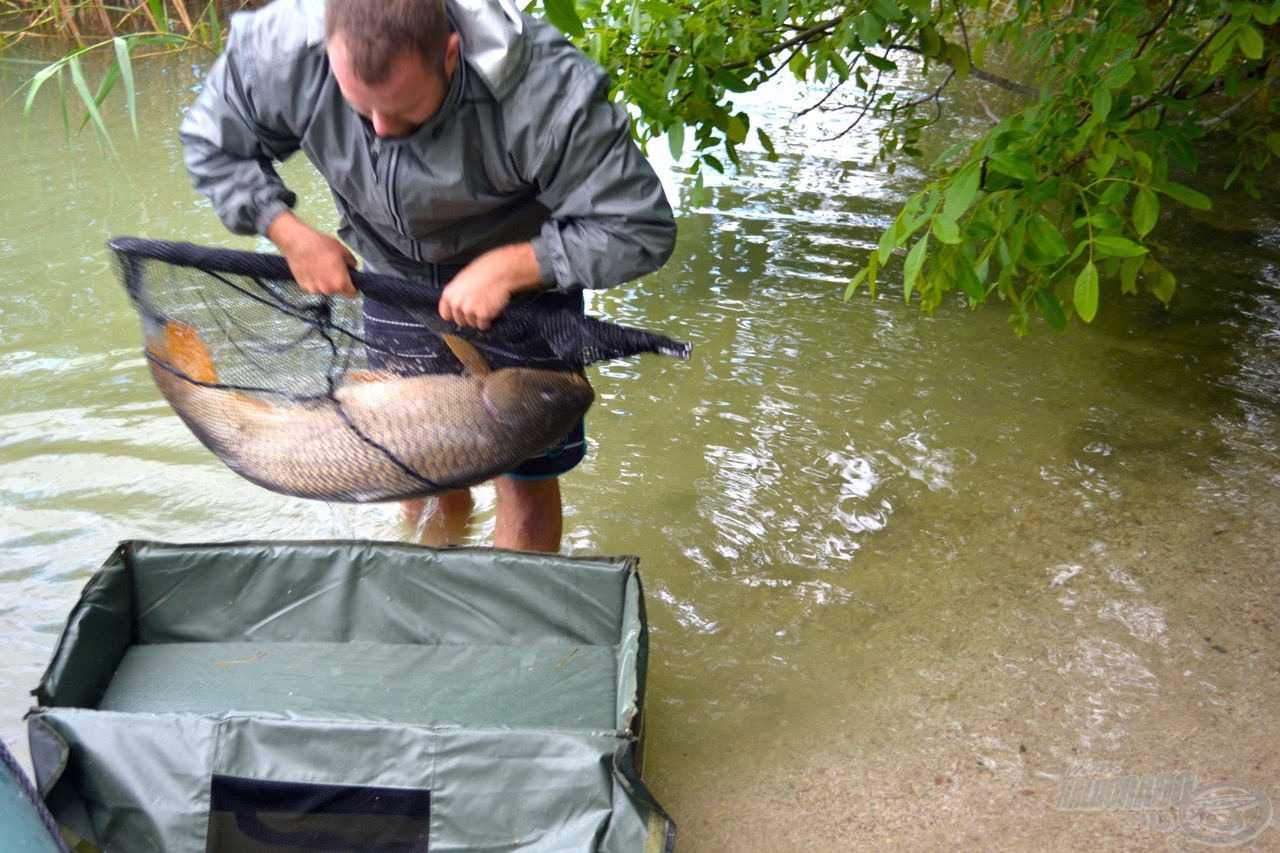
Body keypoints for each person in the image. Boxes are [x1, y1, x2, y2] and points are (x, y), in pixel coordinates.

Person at [180, 0, 676, 552]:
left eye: (405, 111)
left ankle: (510, 620)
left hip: (527, 275)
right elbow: (212, 144)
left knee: (525, 475)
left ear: (450, 52)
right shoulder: (280, 49)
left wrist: (514, 267)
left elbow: (639, 227)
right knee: (412, 464)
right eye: (361, 110)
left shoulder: (549, 90)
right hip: (392, 270)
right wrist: (288, 232)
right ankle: (431, 583)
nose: (383, 131)